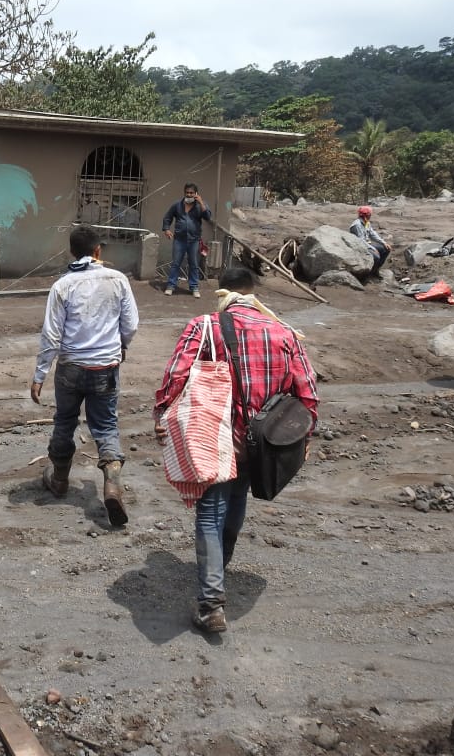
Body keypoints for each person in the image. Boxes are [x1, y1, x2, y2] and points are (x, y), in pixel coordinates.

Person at [153, 267, 318, 634]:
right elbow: (307, 392)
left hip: (215, 436)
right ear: (253, 292)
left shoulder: (205, 326)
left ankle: (211, 602)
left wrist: (161, 413)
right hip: (263, 441)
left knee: (211, 511)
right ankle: (218, 571)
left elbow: (175, 375)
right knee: (237, 501)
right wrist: (303, 439)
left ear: (222, 292)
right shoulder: (284, 332)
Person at [32, 226, 139, 527]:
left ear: (71, 252)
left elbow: (51, 335)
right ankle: (113, 483)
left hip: (70, 368)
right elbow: (130, 324)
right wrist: (120, 347)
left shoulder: (62, 286)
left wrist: (39, 374)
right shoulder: (118, 280)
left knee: (65, 421)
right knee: (105, 426)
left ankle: (60, 480)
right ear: (98, 251)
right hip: (105, 368)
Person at [162, 183, 212, 298]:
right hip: (179, 240)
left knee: (194, 264)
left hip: (194, 240)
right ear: (184, 193)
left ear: (196, 194)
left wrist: (201, 202)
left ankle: (194, 287)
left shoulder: (200, 206)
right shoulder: (177, 205)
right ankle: (170, 286)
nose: (189, 195)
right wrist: (166, 229)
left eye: (191, 193)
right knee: (175, 263)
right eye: (187, 192)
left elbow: (208, 217)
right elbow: (167, 217)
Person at [348, 205, 391, 277]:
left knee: (386, 249)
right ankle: (368, 274)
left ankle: (375, 270)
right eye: (370, 214)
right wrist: (373, 249)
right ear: (367, 215)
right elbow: (361, 241)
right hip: (359, 246)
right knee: (376, 257)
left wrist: (384, 243)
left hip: (367, 244)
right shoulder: (357, 225)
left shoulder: (366, 222)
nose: (370, 215)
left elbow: (372, 234)